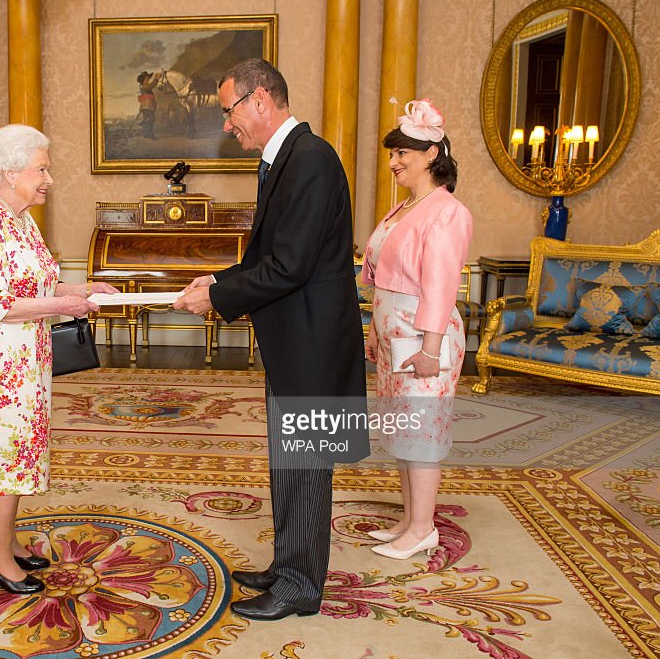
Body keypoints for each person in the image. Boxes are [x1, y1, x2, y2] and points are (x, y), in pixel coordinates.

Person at [174, 58, 367, 621]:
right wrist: (217, 282)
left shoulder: (311, 160)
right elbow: (269, 257)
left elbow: (290, 266)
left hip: (313, 344)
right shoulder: (285, 159)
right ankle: (288, 565)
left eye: (228, 111)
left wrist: (219, 299)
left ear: (260, 99)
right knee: (289, 463)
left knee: (306, 466)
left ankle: (301, 586)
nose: (226, 124)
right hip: (295, 340)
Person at [0, 124, 117, 594]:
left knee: (20, 449)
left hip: (24, 357)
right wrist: (64, 306)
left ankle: (6, 541)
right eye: (41, 169)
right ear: (10, 172)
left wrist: (83, 289)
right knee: (3, 455)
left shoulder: (21, 220)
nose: (49, 179)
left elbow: (37, 285)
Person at [360, 99, 472, 560]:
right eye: (392, 153)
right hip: (395, 334)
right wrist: (374, 331)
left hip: (426, 336)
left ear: (431, 154)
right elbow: (382, 279)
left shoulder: (446, 211)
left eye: (402, 152)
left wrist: (429, 348)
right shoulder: (404, 208)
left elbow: (440, 287)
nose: (393, 162)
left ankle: (424, 529)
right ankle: (410, 520)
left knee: (422, 433)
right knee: (404, 429)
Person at [136, 71, 158, 140]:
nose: (148, 79)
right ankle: (150, 134)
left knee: (147, 119)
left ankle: (146, 134)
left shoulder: (144, 85)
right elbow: (151, 86)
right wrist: (156, 79)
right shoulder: (144, 86)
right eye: (147, 77)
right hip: (147, 106)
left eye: (148, 77)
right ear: (144, 79)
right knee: (150, 119)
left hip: (148, 105)